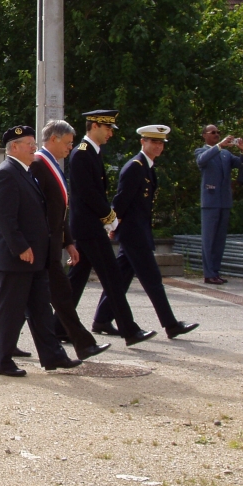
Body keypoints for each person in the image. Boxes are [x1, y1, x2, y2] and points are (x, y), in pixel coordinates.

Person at [0, 126, 81, 377]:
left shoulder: (26, 172)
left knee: (41, 309)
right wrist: (20, 246)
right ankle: (3, 361)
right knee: (10, 310)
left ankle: (53, 356)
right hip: (18, 257)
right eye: (27, 143)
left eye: (33, 142)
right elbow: (4, 217)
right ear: (14, 147)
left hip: (36, 256)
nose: (33, 147)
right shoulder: (6, 173)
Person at [94, 125, 199, 338]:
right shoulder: (135, 166)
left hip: (138, 232)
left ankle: (102, 320)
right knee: (152, 280)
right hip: (134, 235)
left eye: (161, 143)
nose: (158, 146)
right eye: (153, 142)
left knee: (120, 279)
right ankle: (171, 325)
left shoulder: (147, 167)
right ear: (143, 142)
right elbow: (121, 201)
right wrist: (112, 226)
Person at [65, 110, 155, 346]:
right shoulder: (82, 154)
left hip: (89, 227)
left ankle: (58, 326)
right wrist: (109, 216)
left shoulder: (92, 153)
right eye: (107, 129)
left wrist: (107, 217)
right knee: (112, 277)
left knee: (76, 280)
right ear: (94, 126)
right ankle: (130, 330)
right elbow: (88, 194)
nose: (110, 134)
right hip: (89, 228)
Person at [28, 119, 110, 362]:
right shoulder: (39, 164)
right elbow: (39, 209)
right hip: (44, 245)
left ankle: (81, 344)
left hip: (53, 244)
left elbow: (60, 208)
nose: (69, 148)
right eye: (67, 143)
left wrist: (69, 241)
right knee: (56, 297)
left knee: (48, 298)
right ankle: (82, 344)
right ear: (53, 139)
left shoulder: (53, 164)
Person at [196, 124, 243, 284]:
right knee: (209, 239)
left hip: (224, 201)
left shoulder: (226, 154)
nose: (216, 135)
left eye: (218, 132)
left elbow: (241, 164)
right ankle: (208, 273)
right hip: (210, 202)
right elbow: (201, 160)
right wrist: (219, 146)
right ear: (204, 135)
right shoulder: (202, 151)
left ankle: (215, 271)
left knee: (219, 240)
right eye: (213, 132)